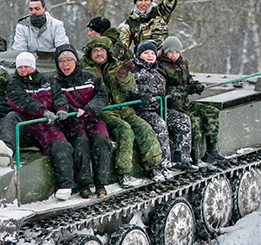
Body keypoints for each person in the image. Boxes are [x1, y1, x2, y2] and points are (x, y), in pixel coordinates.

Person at [81, 36, 164, 185]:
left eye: (102, 50)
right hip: (104, 110)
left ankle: (153, 166)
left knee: (145, 128)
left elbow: (129, 87)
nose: (99, 54)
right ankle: (124, 172)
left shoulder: (117, 66)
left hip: (124, 107)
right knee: (124, 130)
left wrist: (123, 75)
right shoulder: (84, 69)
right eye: (95, 51)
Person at [0, 52, 75, 201]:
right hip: (26, 123)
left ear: (33, 66)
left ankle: (65, 185)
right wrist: (41, 110)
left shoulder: (48, 81)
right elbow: (22, 101)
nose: (23, 70)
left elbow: (58, 97)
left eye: (26, 66)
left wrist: (62, 109)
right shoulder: (14, 84)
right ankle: (7, 149)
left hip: (46, 125)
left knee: (61, 146)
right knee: (10, 118)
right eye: (20, 67)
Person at [120, 39, 197, 173]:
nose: (150, 56)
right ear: (139, 54)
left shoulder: (156, 71)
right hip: (141, 110)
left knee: (183, 120)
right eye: (146, 53)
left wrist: (171, 92)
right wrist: (140, 96)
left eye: (152, 53)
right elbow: (127, 89)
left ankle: (181, 158)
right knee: (160, 125)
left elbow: (163, 89)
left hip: (159, 108)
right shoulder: (134, 70)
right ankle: (163, 163)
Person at [53, 44, 112, 198]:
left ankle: (101, 183)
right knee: (80, 142)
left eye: (69, 60)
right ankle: (84, 183)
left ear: (76, 61)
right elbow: (55, 100)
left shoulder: (90, 78)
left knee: (101, 140)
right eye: (62, 61)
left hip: (91, 117)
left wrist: (91, 108)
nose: (65, 65)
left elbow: (102, 95)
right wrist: (71, 110)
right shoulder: (55, 83)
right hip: (71, 121)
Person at [157, 36, 225, 163]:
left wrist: (196, 85)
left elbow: (188, 79)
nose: (174, 55)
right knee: (192, 122)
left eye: (176, 52)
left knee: (211, 111)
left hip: (185, 103)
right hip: (172, 106)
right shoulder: (160, 66)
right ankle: (195, 156)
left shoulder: (182, 63)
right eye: (171, 52)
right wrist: (177, 90)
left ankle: (212, 150)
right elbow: (162, 87)